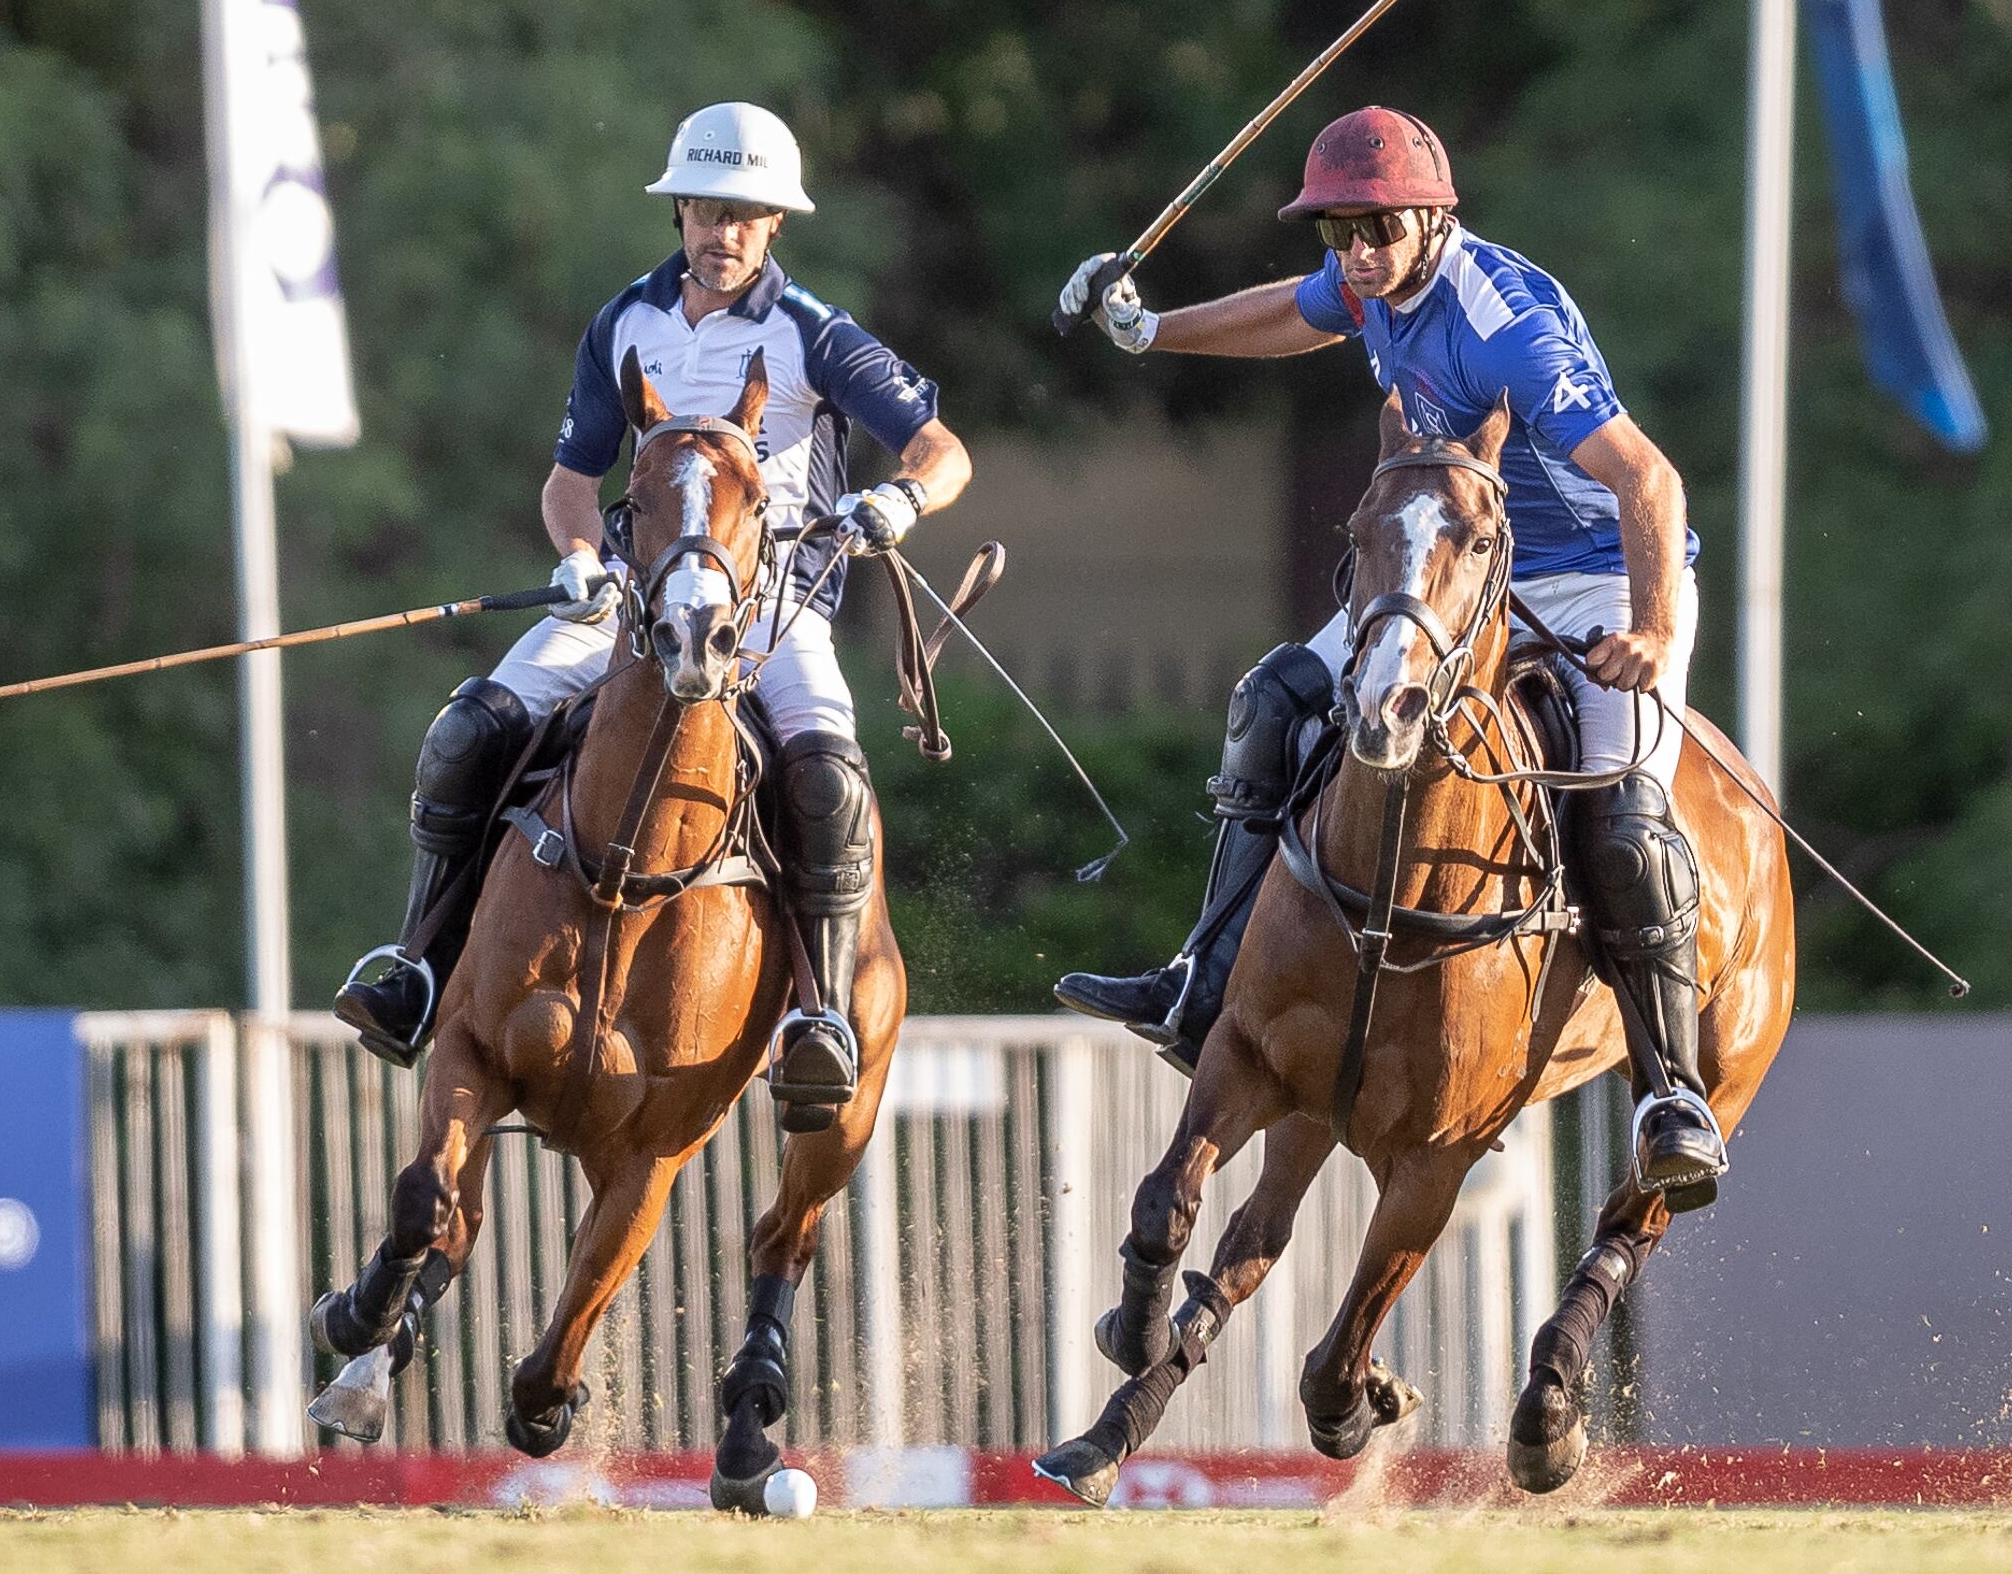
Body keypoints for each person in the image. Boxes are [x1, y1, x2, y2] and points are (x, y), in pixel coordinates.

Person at [1047, 106, 1724, 1200]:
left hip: (1602, 566)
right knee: (1273, 701)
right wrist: (1149, 329)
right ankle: (1199, 981)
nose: (1355, 252)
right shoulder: (1369, 282)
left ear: (1430, 215)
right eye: (1336, 231)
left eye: (1375, 228)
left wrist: (1647, 627)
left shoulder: (1505, 325)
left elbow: (1647, 480)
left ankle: (1669, 1089)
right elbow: (1291, 314)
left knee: (1625, 818)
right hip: (1457, 566)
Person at [330, 102, 969, 1120]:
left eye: (747, 215)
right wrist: (580, 554)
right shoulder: (623, 322)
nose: (725, 232)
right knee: (468, 727)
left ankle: (819, 1016)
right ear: (678, 210)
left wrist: (899, 496)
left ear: (774, 226)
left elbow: (943, 451)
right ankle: (417, 964)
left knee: (829, 780)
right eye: (709, 210)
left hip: (773, 610)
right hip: (631, 604)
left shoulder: (818, 335)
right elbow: (570, 478)